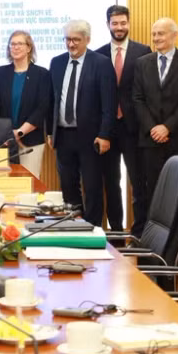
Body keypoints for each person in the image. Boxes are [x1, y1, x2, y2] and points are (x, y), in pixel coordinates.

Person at [47, 20, 116, 227]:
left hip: (91, 136)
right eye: (67, 39)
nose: (71, 44)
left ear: (87, 39)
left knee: (92, 186)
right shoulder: (57, 62)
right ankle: (74, 226)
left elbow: (109, 102)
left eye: (76, 40)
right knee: (68, 185)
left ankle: (93, 229)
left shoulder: (101, 63)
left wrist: (105, 134)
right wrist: (50, 132)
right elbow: (52, 99)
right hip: (63, 134)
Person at [132, 18, 178, 231]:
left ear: (174, 35)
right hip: (149, 140)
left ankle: (174, 240)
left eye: (161, 34)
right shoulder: (143, 63)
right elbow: (137, 98)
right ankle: (150, 238)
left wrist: (167, 127)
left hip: (177, 138)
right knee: (150, 192)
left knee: (177, 192)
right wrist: (153, 127)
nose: (156, 38)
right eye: (154, 34)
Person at [96, 5, 151, 232]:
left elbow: (148, 90)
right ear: (108, 24)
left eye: (123, 23)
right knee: (111, 183)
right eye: (115, 23)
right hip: (108, 129)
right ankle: (116, 232)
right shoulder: (98, 54)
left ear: (129, 23)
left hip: (134, 128)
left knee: (138, 183)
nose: (119, 27)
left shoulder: (143, 51)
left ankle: (139, 232)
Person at [0, 30, 51, 178]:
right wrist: (7, 133)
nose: (15, 47)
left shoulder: (41, 74)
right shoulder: (1, 72)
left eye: (20, 43)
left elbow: (43, 107)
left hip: (31, 141)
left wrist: (20, 132)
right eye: (12, 44)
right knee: (4, 183)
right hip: (4, 140)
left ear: (29, 48)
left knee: (29, 183)